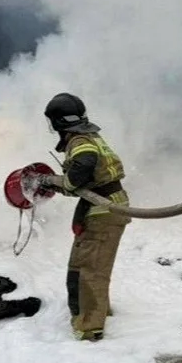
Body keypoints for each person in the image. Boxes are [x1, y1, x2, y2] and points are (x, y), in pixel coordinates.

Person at [43, 93, 130, 342]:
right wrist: (56, 184)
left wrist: (59, 181)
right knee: (87, 265)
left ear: (58, 122)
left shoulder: (80, 141)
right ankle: (97, 312)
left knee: (89, 269)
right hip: (106, 207)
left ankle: (89, 328)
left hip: (105, 210)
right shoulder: (89, 136)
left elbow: (83, 165)